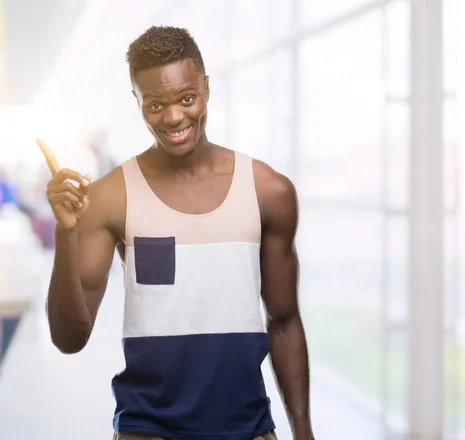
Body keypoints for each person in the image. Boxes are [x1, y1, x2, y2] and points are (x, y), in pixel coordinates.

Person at [44, 26, 314, 440]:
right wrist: (67, 234)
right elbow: (69, 338)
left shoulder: (269, 191)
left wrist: (304, 432)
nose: (173, 118)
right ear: (137, 101)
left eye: (187, 99)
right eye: (154, 104)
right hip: (145, 430)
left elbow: (285, 321)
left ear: (206, 88)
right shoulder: (109, 197)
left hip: (248, 430)